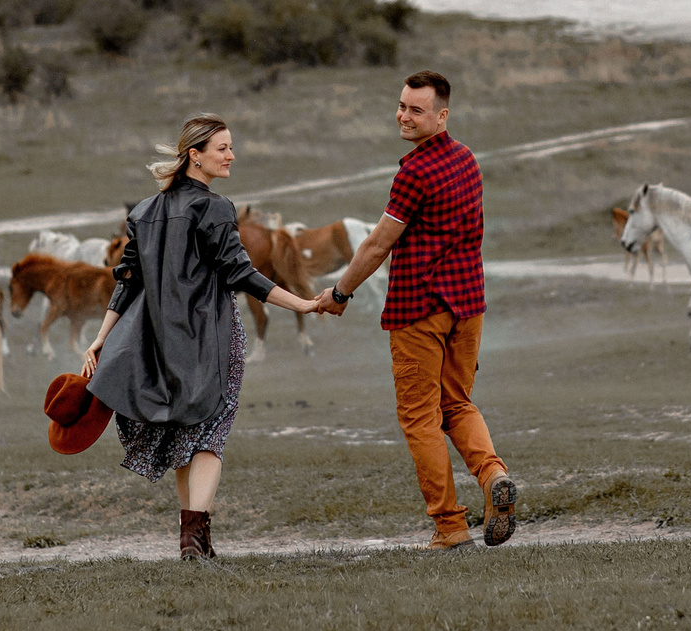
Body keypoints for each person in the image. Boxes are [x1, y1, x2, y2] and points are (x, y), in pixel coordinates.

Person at [82, 114, 326, 560]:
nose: (231, 155)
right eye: (223, 148)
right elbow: (241, 274)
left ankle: (198, 545)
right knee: (210, 433)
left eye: (231, 147)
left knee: (180, 435)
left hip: (157, 339)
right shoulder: (215, 207)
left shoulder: (143, 211)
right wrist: (304, 304)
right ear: (195, 156)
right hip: (210, 335)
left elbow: (127, 281)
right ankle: (194, 542)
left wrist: (102, 337)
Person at [316, 71, 520, 550]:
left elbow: (378, 244)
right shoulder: (467, 160)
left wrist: (340, 293)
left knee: (420, 417)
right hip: (468, 304)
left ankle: (449, 526)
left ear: (441, 115)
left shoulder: (414, 173)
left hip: (419, 309)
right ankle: (493, 479)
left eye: (416, 109)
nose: (404, 116)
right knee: (457, 404)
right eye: (402, 106)